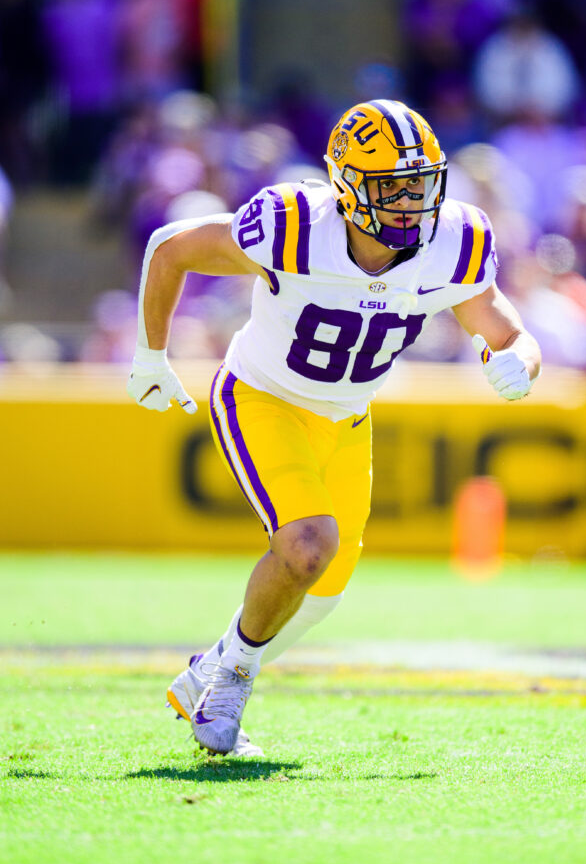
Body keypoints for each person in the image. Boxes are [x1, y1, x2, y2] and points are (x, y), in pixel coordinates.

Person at [127, 99, 542, 756]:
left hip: (348, 419)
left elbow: (500, 322)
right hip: (263, 398)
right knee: (307, 544)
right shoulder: (294, 226)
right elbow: (172, 247)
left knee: (324, 589)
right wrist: (151, 354)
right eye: (390, 188)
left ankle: (209, 671)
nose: (409, 203)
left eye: (420, 184)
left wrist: (519, 357)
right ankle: (231, 677)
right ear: (346, 187)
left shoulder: (454, 240)